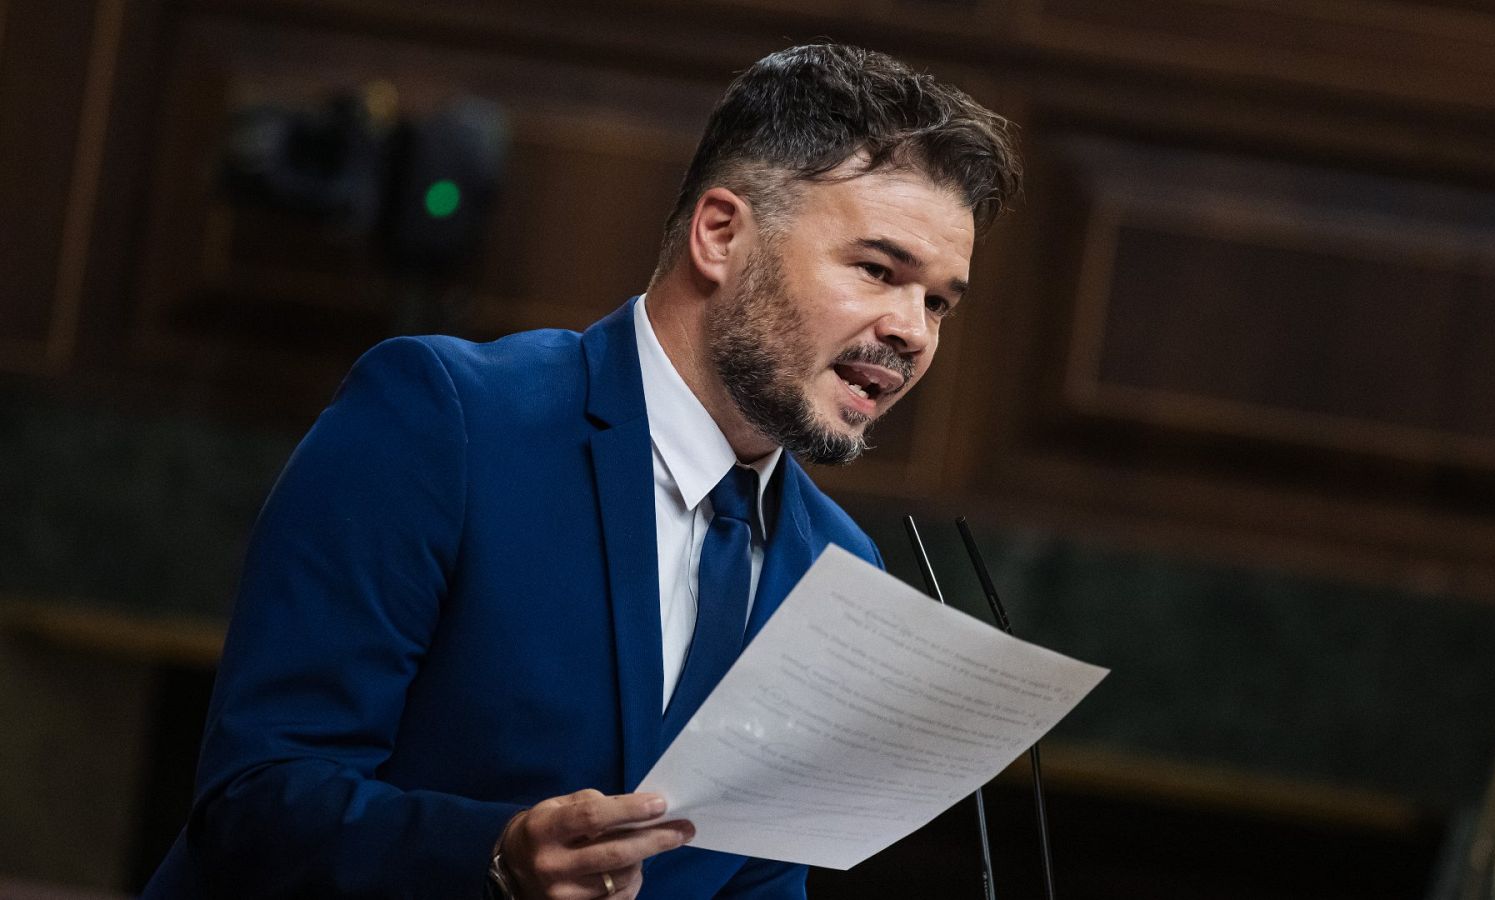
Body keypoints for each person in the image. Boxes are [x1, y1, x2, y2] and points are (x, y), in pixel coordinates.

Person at [144, 42, 1020, 899]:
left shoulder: (838, 568)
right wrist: (492, 856)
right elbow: (252, 803)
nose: (913, 331)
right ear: (721, 236)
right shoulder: (446, 419)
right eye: (878, 269)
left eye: (939, 301)